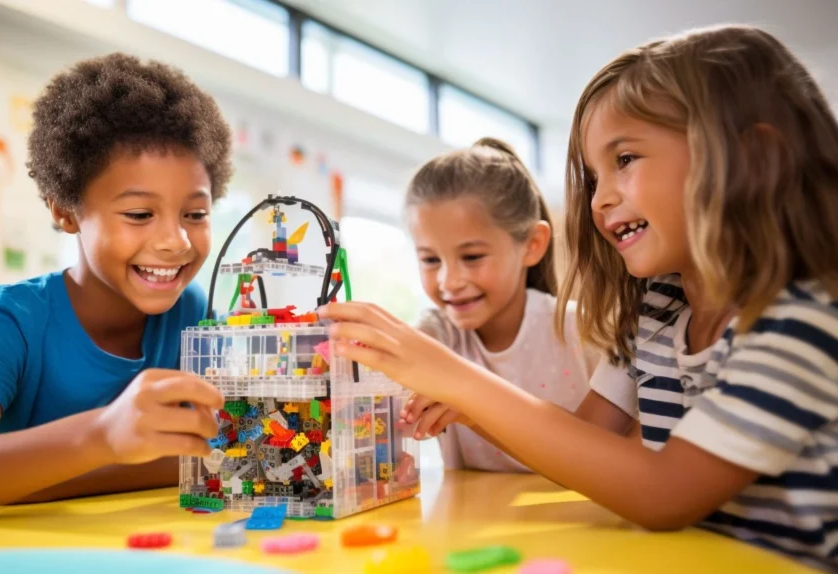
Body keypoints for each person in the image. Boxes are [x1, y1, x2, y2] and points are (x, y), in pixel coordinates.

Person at [321, 26, 838, 569]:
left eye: (626, 159)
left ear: (753, 155)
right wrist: (472, 409)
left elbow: (664, 493)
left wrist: (456, 378)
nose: (600, 198)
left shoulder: (802, 321)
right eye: (593, 175)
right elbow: (586, 441)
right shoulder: (660, 309)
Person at [0, 53, 232, 521]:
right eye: (139, 214)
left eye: (195, 215)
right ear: (66, 211)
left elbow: (221, 450)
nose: (175, 242)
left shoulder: (192, 313)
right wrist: (102, 436)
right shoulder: (8, 321)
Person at [398, 137, 605, 472]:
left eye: (472, 256)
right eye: (431, 259)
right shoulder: (436, 336)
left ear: (532, 245)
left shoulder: (583, 330)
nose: (449, 281)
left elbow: (612, 454)